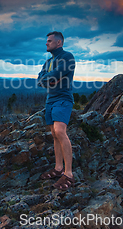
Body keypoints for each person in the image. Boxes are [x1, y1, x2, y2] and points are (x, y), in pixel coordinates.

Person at [36, 31, 76, 190]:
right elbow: (40, 80)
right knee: (54, 134)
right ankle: (59, 168)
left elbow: (55, 75)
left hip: (63, 98)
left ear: (59, 43)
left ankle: (69, 174)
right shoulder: (48, 62)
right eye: (47, 41)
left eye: (50, 41)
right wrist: (50, 80)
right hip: (50, 100)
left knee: (60, 131)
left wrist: (51, 79)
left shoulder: (67, 57)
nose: (46, 43)